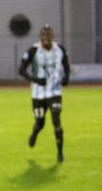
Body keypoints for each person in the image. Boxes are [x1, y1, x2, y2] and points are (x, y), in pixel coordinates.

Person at [18, 24, 70, 163]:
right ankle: (35, 132)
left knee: (56, 118)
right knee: (40, 122)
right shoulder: (33, 50)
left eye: (48, 35)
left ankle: (60, 153)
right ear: (40, 37)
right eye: (43, 35)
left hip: (55, 91)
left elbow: (66, 66)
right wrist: (35, 80)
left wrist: (66, 78)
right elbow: (21, 70)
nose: (46, 37)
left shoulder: (60, 49)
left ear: (52, 36)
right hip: (38, 93)